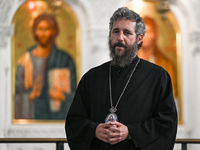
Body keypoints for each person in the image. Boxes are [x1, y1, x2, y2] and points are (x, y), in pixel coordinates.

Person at [65, 7, 177, 150]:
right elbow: (74, 121)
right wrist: (94, 129)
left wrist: (131, 132)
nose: (120, 38)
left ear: (139, 38)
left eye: (127, 33)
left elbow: (166, 123)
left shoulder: (158, 76)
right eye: (116, 31)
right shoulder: (91, 77)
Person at [15, 14, 77, 120]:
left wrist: (62, 96)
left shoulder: (64, 59)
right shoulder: (25, 60)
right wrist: (31, 95)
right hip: (33, 115)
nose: (43, 33)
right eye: (39, 29)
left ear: (53, 31)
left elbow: (76, 95)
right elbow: (17, 96)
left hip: (56, 116)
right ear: (34, 31)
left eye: (47, 29)